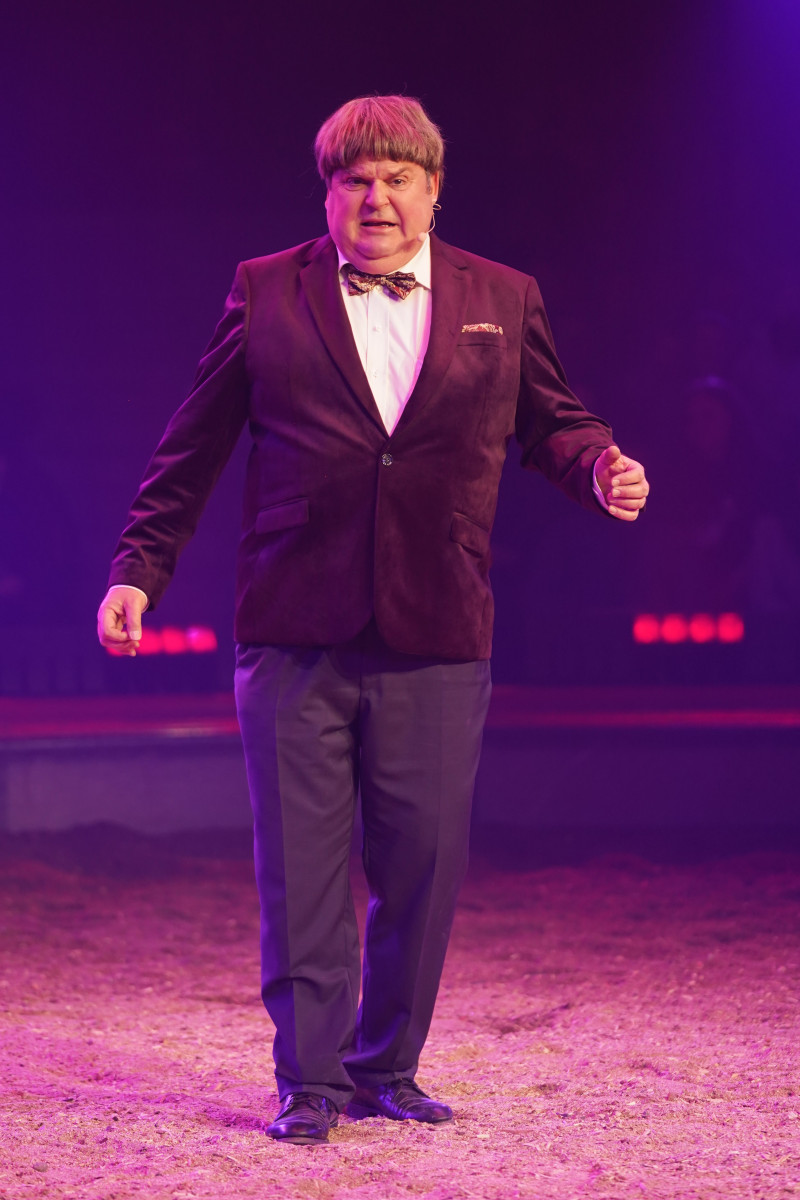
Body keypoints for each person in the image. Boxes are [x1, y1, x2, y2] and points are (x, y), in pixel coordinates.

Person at [97, 95, 649, 1145]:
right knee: (300, 872)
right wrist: (139, 568)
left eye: (398, 178)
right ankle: (308, 1082)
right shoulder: (266, 290)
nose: (377, 197)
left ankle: (386, 1068)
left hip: (437, 624)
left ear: (434, 190)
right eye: (355, 179)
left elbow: (554, 421)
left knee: (420, 866)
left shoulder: (503, 296)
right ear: (328, 193)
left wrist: (596, 467)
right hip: (291, 626)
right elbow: (192, 446)